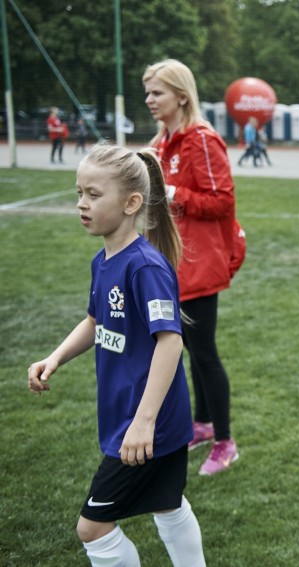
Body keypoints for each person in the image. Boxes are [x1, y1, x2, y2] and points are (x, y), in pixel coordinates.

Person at [26, 141, 206, 566]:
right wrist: (55, 357)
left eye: (93, 194)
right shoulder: (104, 260)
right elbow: (95, 321)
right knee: (167, 502)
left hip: (146, 421)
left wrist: (143, 422)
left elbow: (171, 340)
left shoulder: (144, 266)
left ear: (131, 203)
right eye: (79, 193)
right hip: (129, 414)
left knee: (92, 527)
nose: (81, 204)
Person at [144, 58, 240, 476]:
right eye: (147, 92)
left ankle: (225, 442)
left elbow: (222, 202)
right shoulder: (160, 142)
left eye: (157, 92)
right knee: (185, 350)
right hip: (170, 264)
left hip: (198, 266)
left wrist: (171, 191)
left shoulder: (201, 139)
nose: (149, 100)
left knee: (204, 353)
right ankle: (201, 424)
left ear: (181, 96)